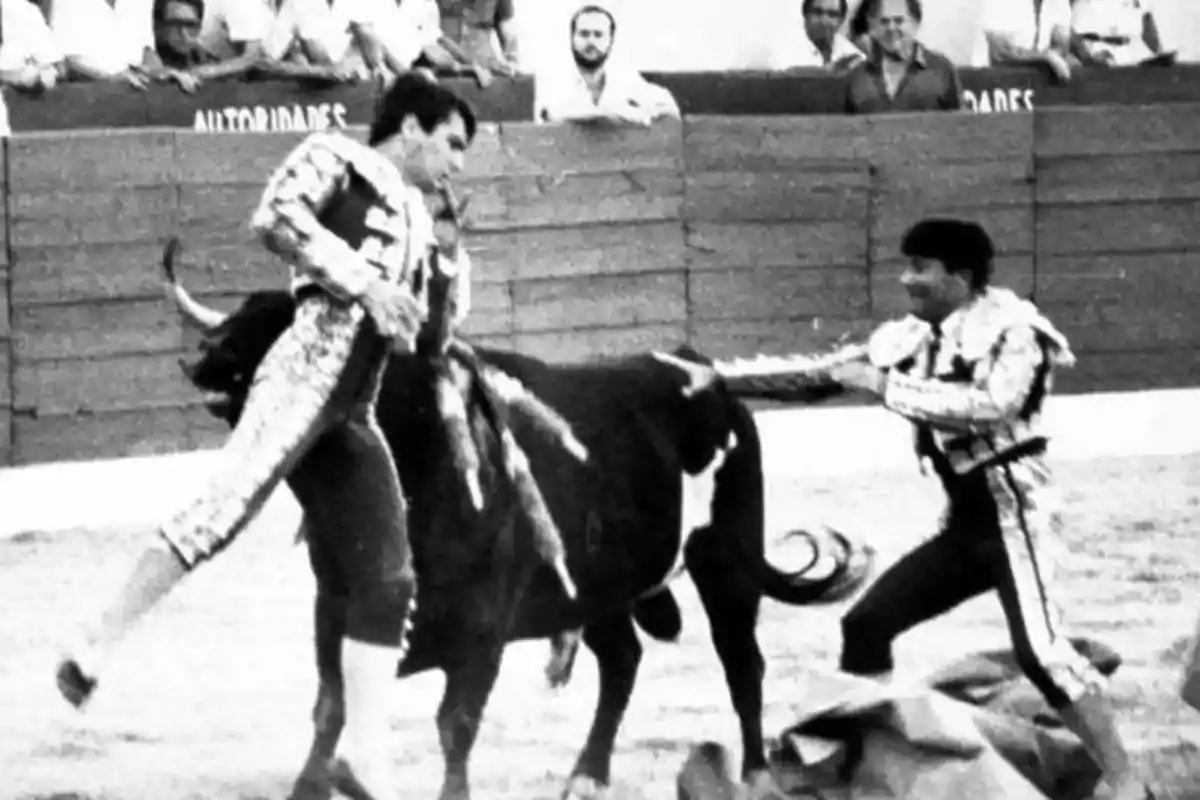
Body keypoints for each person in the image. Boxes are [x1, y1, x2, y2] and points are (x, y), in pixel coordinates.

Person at [54, 72, 476, 800]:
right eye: (452, 144)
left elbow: (427, 339)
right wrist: (362, 280)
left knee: (390, 578)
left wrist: (446, 272)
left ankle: (366, 757)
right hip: (301, 372)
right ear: (411, 127)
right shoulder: (334, 157)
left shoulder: (418, 215)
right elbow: (273, 215)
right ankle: (95, 640)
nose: (458, 162)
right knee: (223, 510)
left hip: (353, 411)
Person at [824, 218, 1147, 800]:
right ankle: (875, 761)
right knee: (866, 624)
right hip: (967, 528)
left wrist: (884, 387)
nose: (907, 280)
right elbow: (831, 375)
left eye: (921, 268)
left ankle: (1125, 779)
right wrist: (712, 381)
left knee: (1044, 656)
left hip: (1017, 521)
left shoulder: (1017, 330)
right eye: (908, 266)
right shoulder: (919, 335)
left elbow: (992, 406)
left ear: (961, 276)